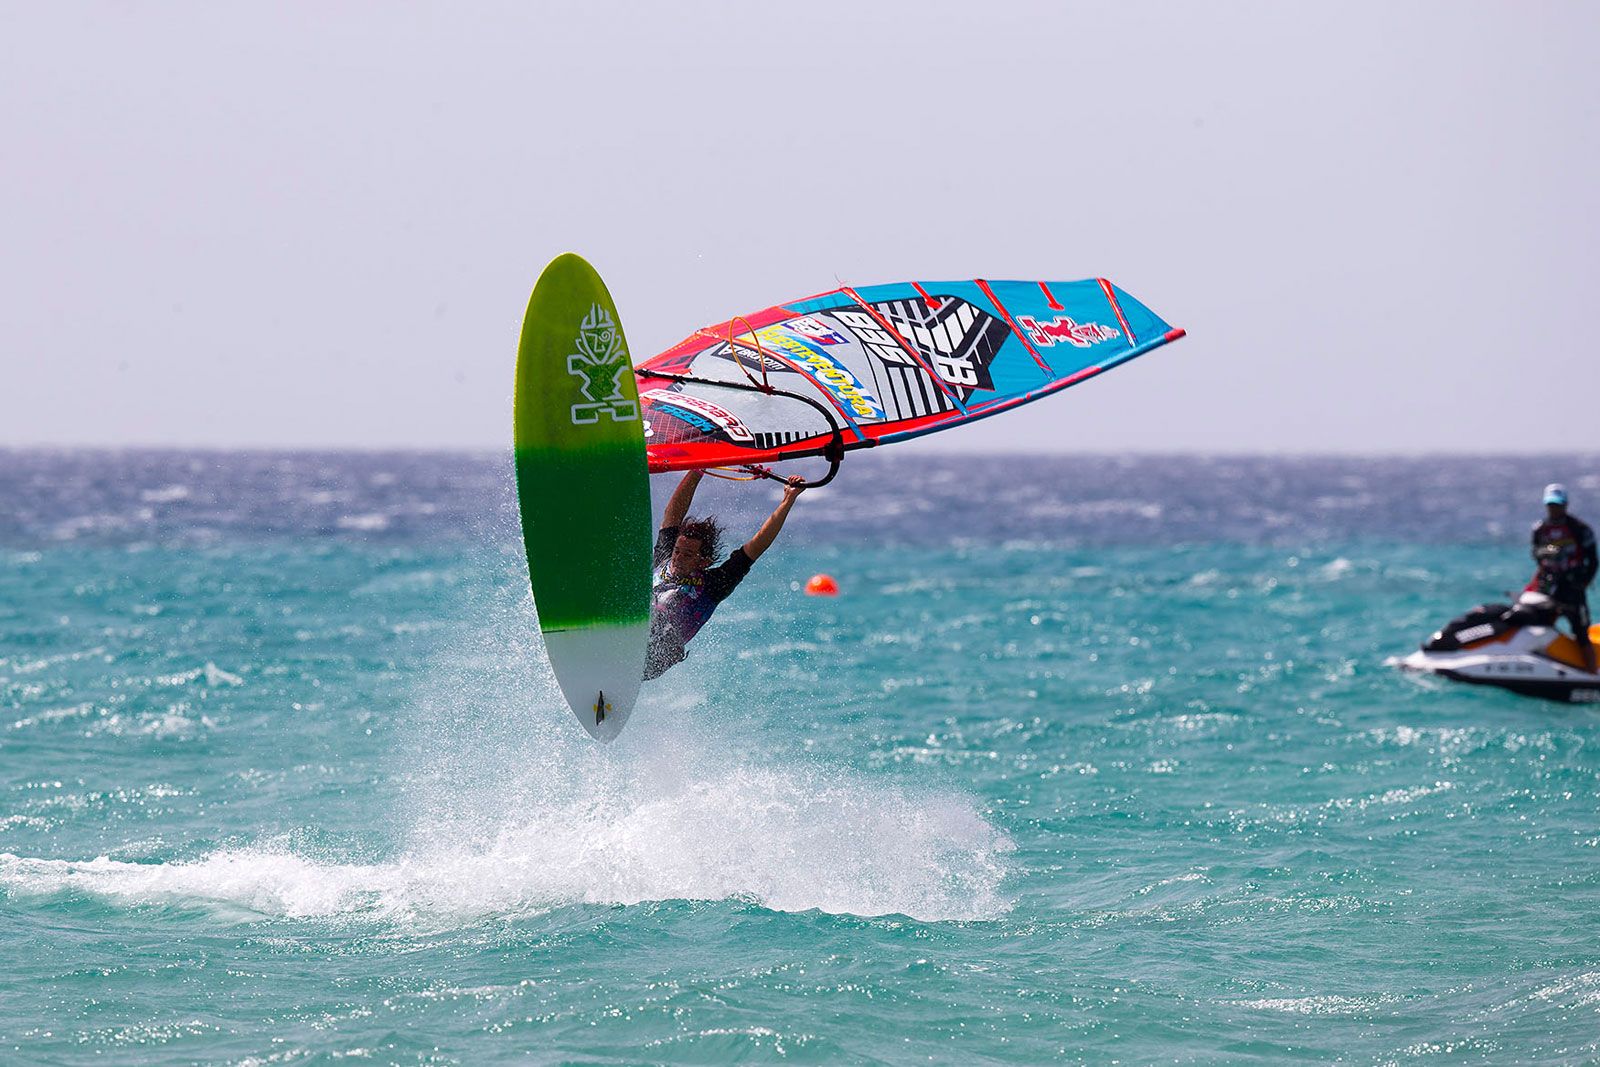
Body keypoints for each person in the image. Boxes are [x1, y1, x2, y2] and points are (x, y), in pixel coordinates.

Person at [644, 470, 805, 679]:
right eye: (677, 551)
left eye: (688, 554)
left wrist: (788, 500)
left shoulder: (713, 586)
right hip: (628, 636)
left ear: (704, 562)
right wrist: (696, 470)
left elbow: (756, 547)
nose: (678, 558)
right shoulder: (665, 559)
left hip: (654, 658)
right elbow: (672, 518)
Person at [1527, 483, 1598, 672]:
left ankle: (1592, 675)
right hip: (1548, 589)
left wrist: (1582, 583)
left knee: (1581, 633)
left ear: (1566, 504)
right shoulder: (1540, 530)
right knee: (1539, 627)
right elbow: (1535, 554)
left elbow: (1593, 560)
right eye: (1550, 505)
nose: (1554, 509)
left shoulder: (1580, 529)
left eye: (1558, 505)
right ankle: (1544, 668)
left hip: (1572, 590)